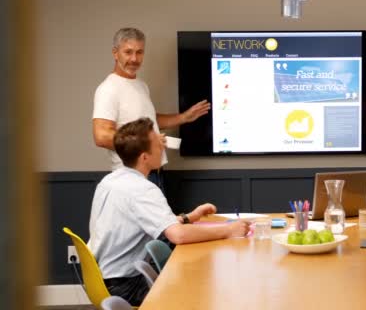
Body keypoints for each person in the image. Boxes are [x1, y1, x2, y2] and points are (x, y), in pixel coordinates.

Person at [88, 118, 249, 306]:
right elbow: (178, 236)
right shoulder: (142, 189)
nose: (163, 149)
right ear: (144, 157)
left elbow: (144, 221)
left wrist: (189, 217)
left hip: (105, 279)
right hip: (125, 286)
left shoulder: (110, 181)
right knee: (206, 286)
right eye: (158, 145)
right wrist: (229, 230)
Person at [92, 27, 210, 173]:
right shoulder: (108, 88)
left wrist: (183, 117)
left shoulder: (141, 85)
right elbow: (101, 136)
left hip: (154, 172)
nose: (134, 59)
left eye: (139, 52)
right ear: (115, 53)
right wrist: (147, 143)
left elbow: (149, 121)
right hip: (130, 175)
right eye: (128, 52)